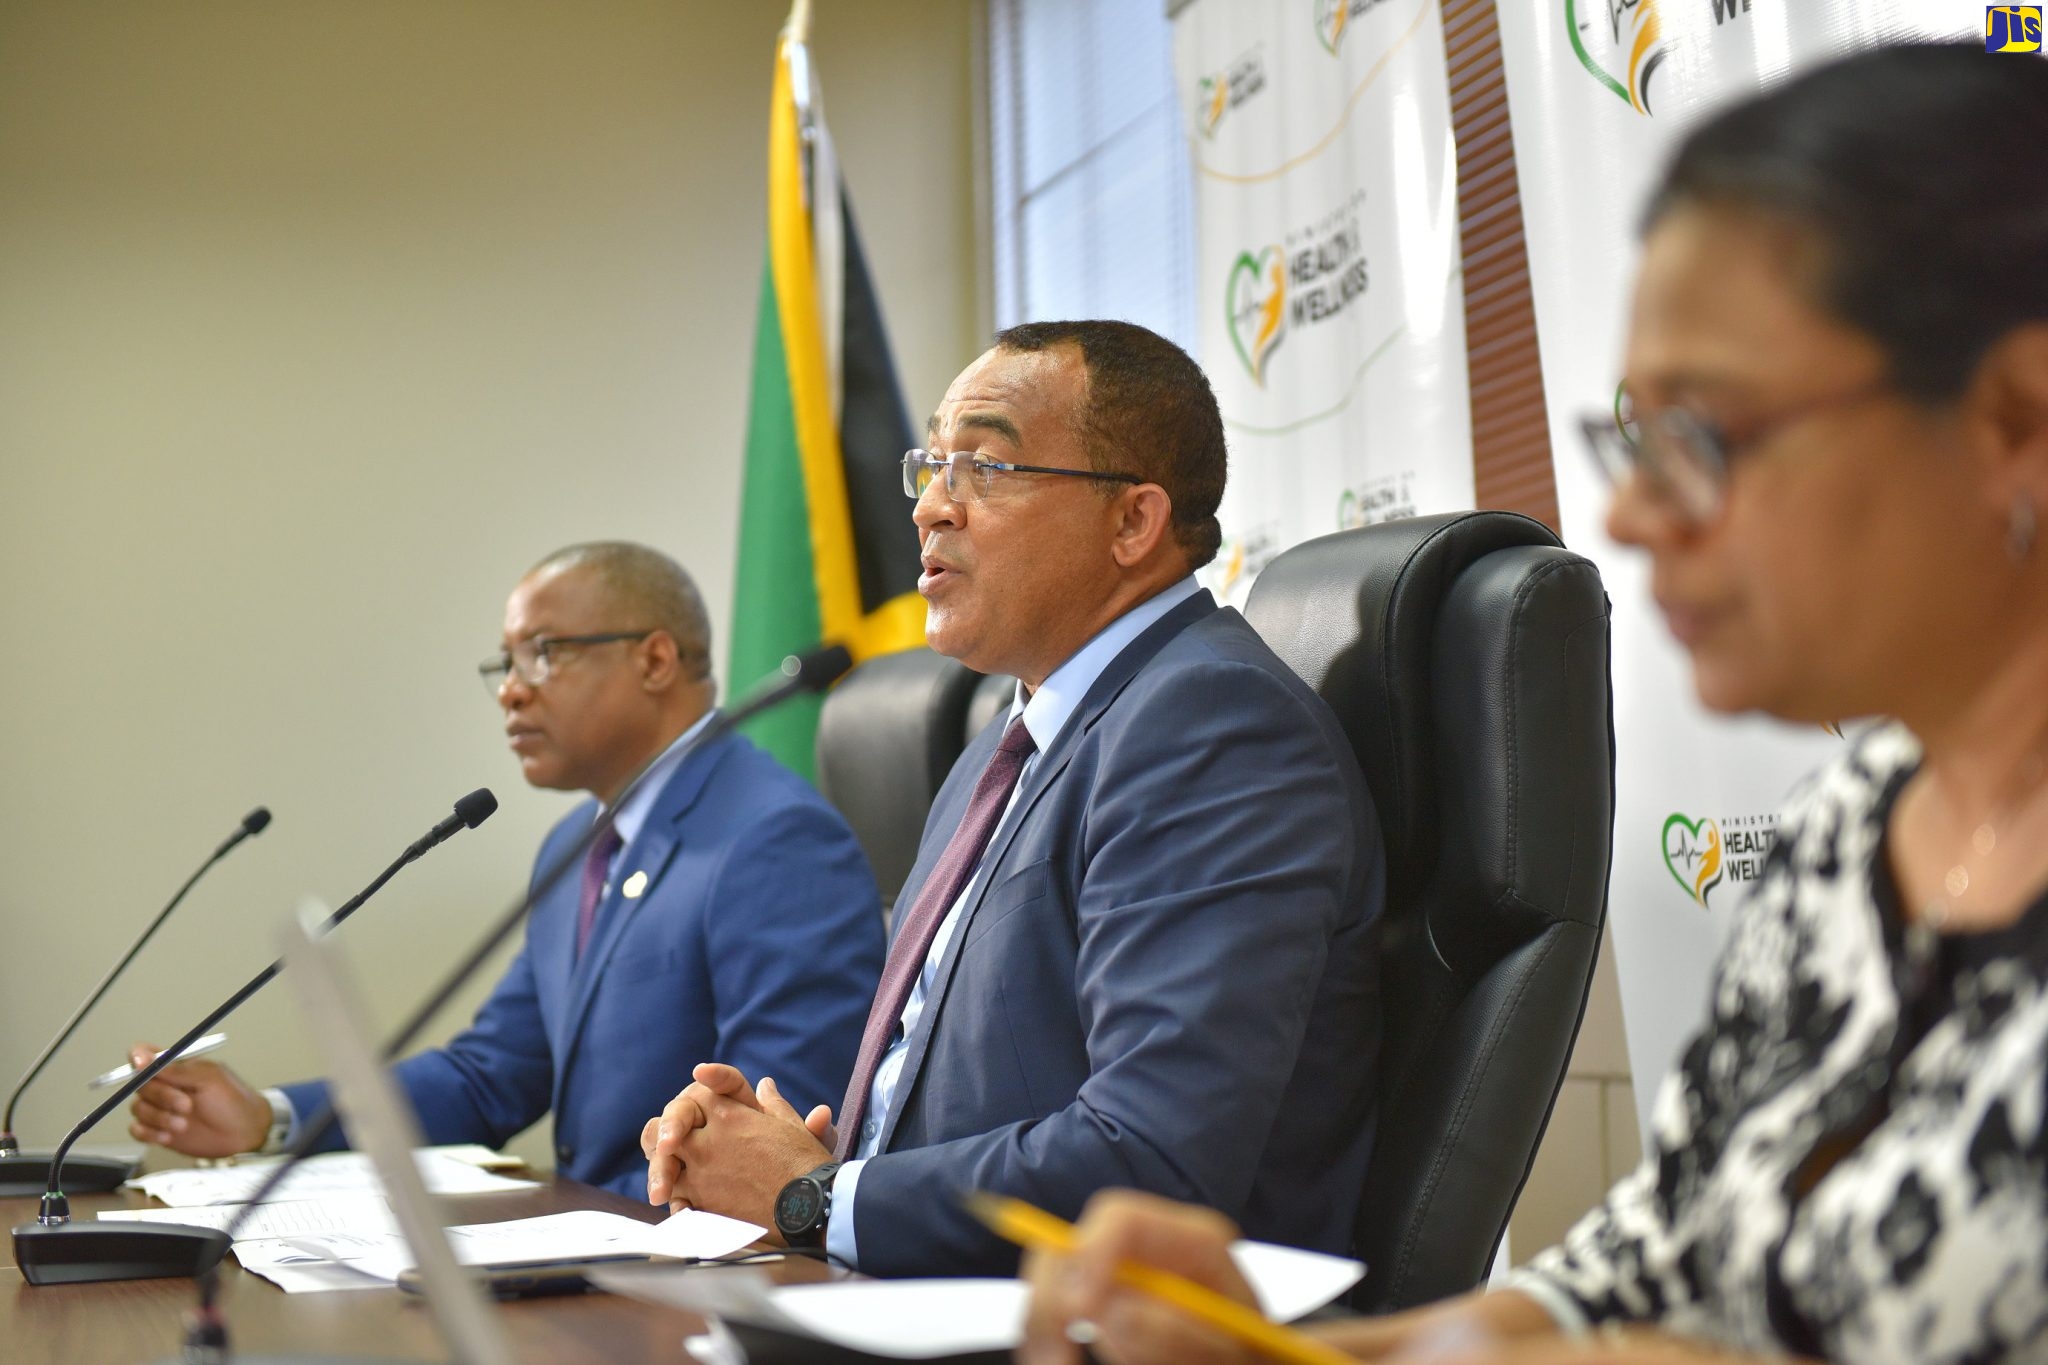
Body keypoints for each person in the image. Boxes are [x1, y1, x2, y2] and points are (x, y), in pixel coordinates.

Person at [1016, 41, 2048, 1365]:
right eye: (1632, 435)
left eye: (1707, 434)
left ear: (2011, 418)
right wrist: (1278, 1351)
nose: (1623, 512)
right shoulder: (1859, 822)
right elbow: (1637, 1272)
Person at [641, 320, 1384, 1277]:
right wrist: (774, 1155)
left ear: (1133, 522)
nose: (931, 509)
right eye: (932, 466)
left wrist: (817, 1196)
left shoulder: (1212, 725)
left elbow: (1155, 1160)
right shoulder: (1010, 743)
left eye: (984, 468)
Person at [127, 542, 884, 1198]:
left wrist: (560, 1221)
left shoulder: (772, 837)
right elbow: (491, 1073)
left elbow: (771, 1137)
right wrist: (271, 1116)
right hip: (601, 1264)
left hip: (696, 1288)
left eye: (543, 652)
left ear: (654, 659)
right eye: (506, 661)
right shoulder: (572, 847)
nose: (511, 689)